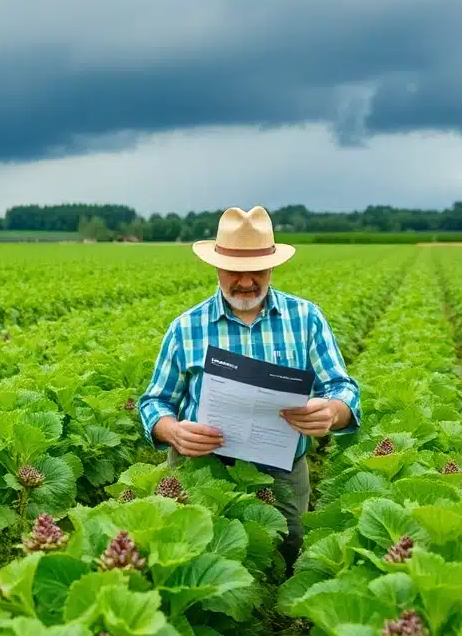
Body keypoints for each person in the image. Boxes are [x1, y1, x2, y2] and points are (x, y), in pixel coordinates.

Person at [137, 205, 361, 567]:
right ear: (216, 267)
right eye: (234, 271)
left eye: (256, 270)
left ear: (272, 267)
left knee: (287, 551)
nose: (245, 282)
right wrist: (172, 430)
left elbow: (342, 387)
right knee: (196, 559)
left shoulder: (305, 318)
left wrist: (333, 412)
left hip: (281, 470)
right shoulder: (186, 327)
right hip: (201, 469)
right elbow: (154, 402)